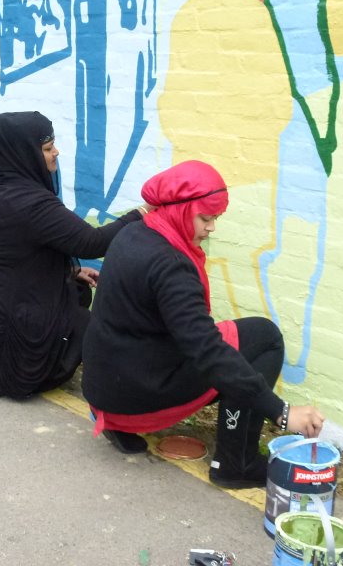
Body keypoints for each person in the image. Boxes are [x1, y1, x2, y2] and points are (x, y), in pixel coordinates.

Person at [81, 160, 324, 488]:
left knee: (228, 339)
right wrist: (281, 412)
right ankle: (235, 464)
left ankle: (119, 425)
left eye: (215, 219)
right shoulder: (171, 265)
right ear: (180, 209)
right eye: (206, 218)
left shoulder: (137, 232)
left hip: (105, 389)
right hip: (133, 394)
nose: (211, 228)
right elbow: (208, 352)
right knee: (265, 340)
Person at [0, 111, 146, 399]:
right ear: (25, 153)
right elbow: (92, 243)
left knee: (75, 289)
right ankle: (116, 395)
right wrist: (141, 214)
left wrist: (73, 271)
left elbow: (12, 256)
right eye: (48, 148)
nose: (56, 152)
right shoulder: (29, 201)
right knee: (87, 324)